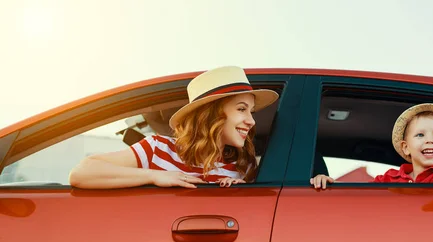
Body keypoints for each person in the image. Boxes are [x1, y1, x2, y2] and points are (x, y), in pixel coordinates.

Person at [69, 66, 279, 189]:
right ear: (211, 114)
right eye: (242, 109)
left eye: (251, 111)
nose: (251, 121)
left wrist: (239, 191)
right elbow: (82, 172)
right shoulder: (157, 148)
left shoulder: (243, 165)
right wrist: (155, 176)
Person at [310, 103, 433, 188]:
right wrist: (331, 183)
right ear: (406, 147)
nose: (429, 140)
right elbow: (360, 193)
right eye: (420, 135)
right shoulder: (390, 177)